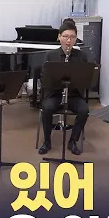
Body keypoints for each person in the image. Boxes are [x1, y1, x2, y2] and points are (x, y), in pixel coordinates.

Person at [38, 18, 90, 156]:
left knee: (84, 110)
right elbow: (44, 78)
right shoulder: (50, 55)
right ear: (59, 37)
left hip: (73, 95)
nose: (69, 40)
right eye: (65, 36)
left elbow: (86, 78)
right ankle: (47, 141)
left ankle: (73, 141)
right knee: (47, 108)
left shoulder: (81, 56)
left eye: (72, 37)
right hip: (55, 94)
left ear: (76, 39)